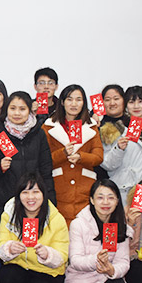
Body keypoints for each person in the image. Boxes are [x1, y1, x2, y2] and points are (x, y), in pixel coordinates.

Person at [0, 173, 68, 283]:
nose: (30, 197)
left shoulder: (56, 218)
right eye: (25, 192)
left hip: (48, 272)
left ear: (43, 194)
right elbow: (1, 246)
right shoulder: (9, 214)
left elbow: (63, 255)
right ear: (18, 195)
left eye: (35, 192)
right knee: (5, 276)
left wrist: (48, 254)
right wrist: (9, 248)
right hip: (20, 265)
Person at [65, 179, 132, 283]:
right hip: (81, 278)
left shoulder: (121, 226)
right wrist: (96, 259)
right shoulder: (78, 224)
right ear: (92, 200)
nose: (105, 202)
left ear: (117, 201)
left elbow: (123, 262)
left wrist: (111, 270)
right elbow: (75, 260)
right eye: (100, 197)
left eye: (111, 197)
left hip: (106, 277)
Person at [0, 91, 55, 222]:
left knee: (32, 234)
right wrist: (0, 167)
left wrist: (50, 200)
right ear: (6, 110)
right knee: (7, 235)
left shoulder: (39, 134)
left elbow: (46, 170)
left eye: (22, 109)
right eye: (12, 108)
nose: (17, 113)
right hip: (4, 200)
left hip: (33, 200)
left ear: (29, 110)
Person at [42, 85, 104, 225]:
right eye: (69, 99)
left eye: (78, 99)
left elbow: (99, 157)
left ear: (84, 103)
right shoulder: (48, 126)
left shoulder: (91, 126)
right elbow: (43, 159)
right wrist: (62, 154)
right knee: (59, 227)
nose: (74, 104)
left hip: (85, 188)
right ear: (62, 102)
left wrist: (81, 157)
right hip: (58, 187)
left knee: (84, 228)